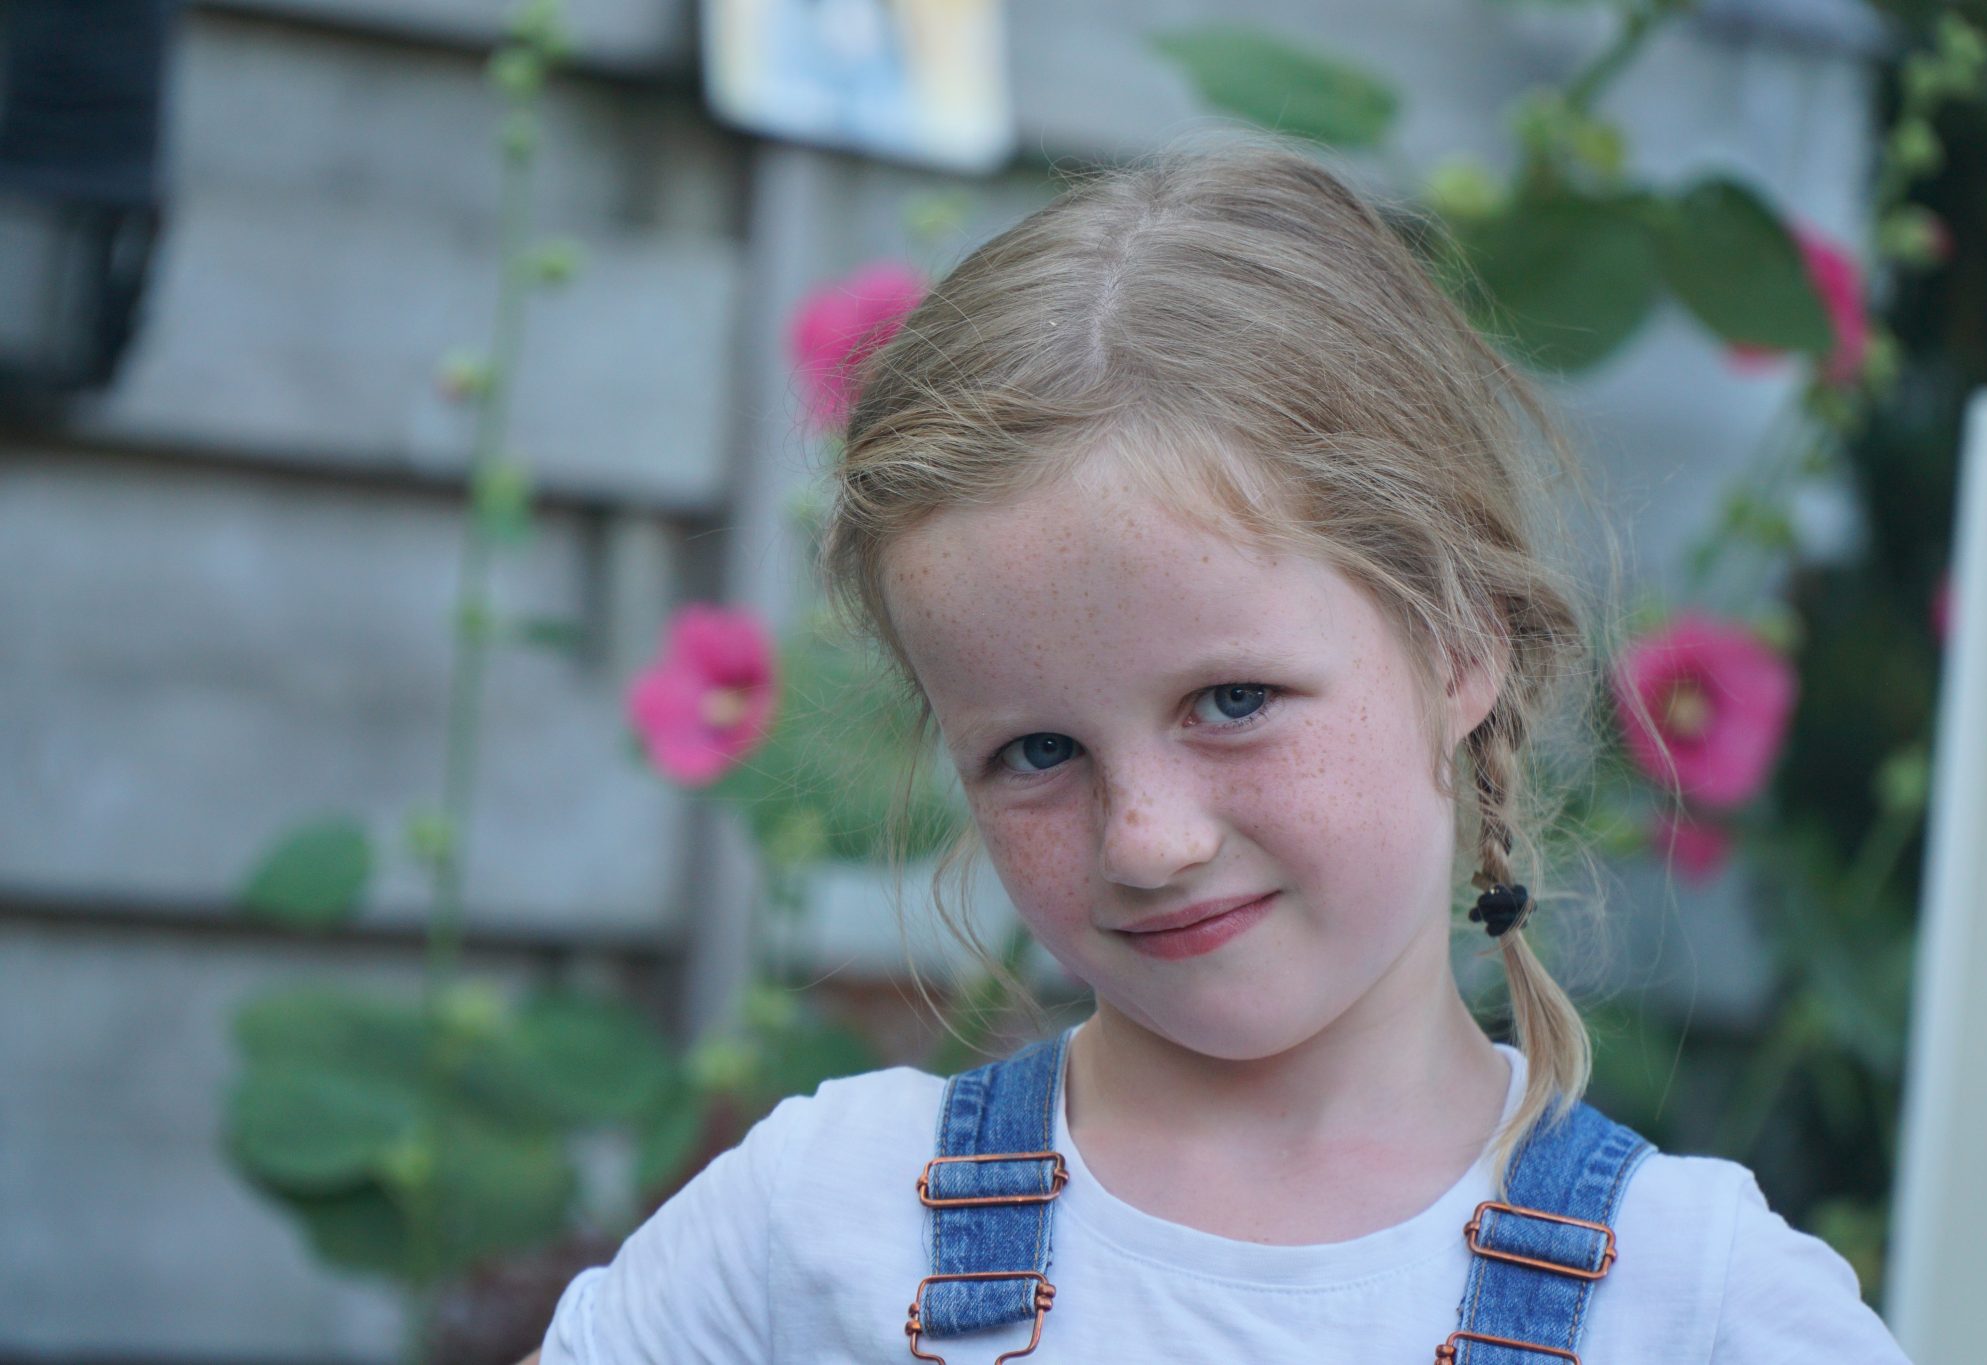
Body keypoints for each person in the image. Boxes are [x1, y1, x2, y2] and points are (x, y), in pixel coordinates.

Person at [524, 144, 1909, 1363]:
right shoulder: (820, 1220)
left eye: (1234, 700)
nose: (1147, 837)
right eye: (1038, 750)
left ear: (1462, 647)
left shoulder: (1697, 1306)